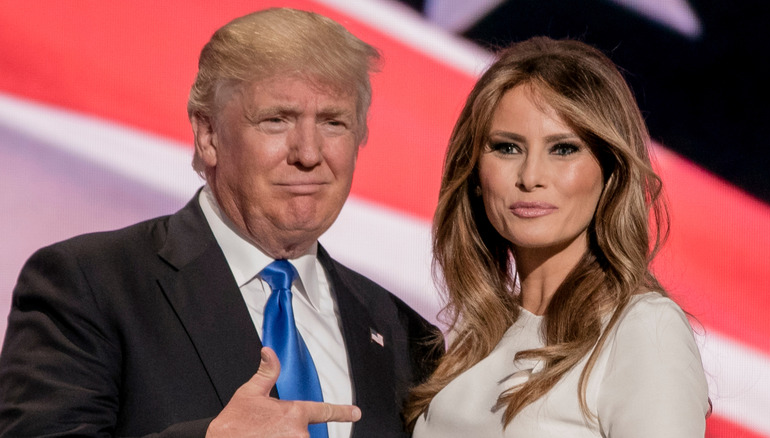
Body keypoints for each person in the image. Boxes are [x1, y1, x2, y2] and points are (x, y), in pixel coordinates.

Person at [0, 8, 441, 438]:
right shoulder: (89, 285)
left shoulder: (407, 337)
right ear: (208, 134)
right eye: (276, 120)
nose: (308, 153)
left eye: (333, 122)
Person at [406, 37, 709, 437]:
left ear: (610, 173)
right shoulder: (473, 338)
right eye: (507, 147)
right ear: (476, 174)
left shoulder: (642, 330)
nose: (530, 177)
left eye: (563, 149)